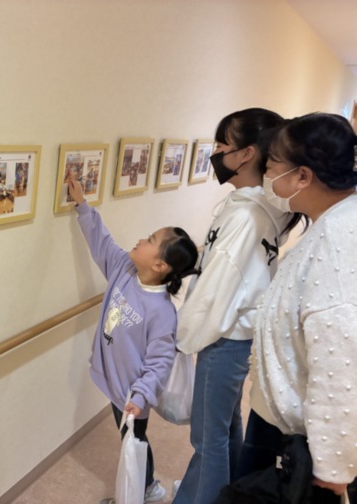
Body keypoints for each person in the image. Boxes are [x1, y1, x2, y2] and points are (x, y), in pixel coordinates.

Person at [173, 108, 301, 504]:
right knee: (225, 430)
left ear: (246, 154)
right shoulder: (260, 206)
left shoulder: (246, 215)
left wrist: (179, 338)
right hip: (239, 335)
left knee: (207, 440)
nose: (215, 153)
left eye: (221, 145)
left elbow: (215, 291)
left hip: (224, 337)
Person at [232, 112, 357, 503]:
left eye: (271, 166)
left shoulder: (337, 242)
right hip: (287, 421)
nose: (266, 177)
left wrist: (331, 466)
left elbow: (340, 362)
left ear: (303, 176)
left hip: (307, 443)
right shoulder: (332, 222)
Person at [67, 177, 199, 504]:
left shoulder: (161, 312)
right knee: (129, 438)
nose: (141, 239)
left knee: (134, 441)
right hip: (114, 384)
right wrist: (82, 205)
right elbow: (101, 242)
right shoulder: (124, 270)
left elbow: (160, 362)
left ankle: (147, 487)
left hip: (132, 396)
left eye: (151, 240)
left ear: (160, 264)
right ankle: (147, 484)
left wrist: (140, 396)